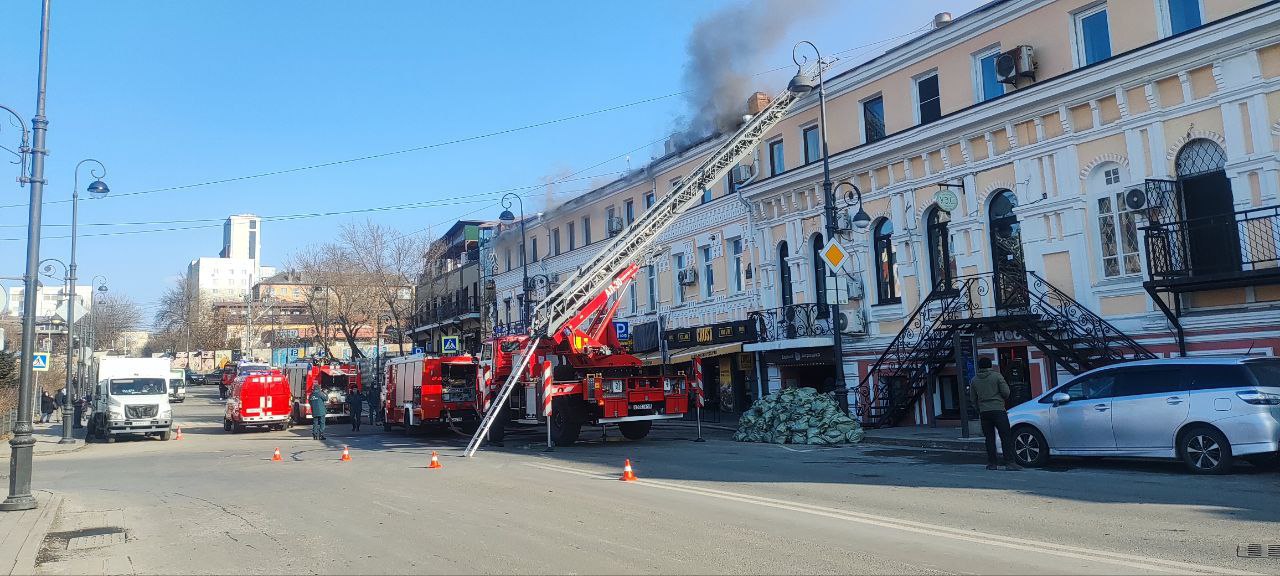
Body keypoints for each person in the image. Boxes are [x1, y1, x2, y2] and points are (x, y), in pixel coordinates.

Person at [970, 357, 1020, 471]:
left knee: (989, 438)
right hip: (998, 410)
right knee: (1005, 436)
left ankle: (992, 463)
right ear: (990, 365)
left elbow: (973, 399)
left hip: (984, 412)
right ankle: (1009, 462)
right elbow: (1006, 392)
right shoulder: (997, 376)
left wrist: (980, 408)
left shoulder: (974, 380)